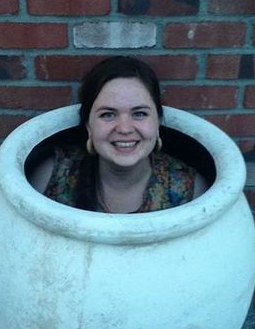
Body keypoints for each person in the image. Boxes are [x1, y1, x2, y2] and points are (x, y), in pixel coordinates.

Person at [29, 56, 209, 213]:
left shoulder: (190, 189)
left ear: (157, 123)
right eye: (108, 114)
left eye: (139, 113)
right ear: (89, 126)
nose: (124, 129)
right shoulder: (52, 177)